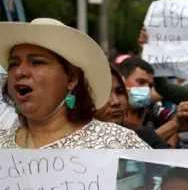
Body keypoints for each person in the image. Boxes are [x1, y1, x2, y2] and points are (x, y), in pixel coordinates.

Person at [0, 18, 150, 149]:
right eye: (14, 64)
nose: (20, 72)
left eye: (37, 62)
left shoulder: (118, 143)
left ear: (71, 79)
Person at [94, 64, 171, 149]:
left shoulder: (144, 135)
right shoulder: (78, 141)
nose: (116, 101)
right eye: (105, 93)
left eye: (120, 91)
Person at [117, 57, 180, 146]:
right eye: (141, 82)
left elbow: (174, 118)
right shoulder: (109, 113)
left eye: (150, 85)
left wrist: (169, 148)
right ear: (121, 80)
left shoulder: (151, 109)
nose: (147, 88)